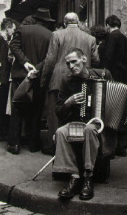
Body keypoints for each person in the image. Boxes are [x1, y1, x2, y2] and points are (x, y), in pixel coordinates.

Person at [54, 47, 127, 200]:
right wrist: (68, 102)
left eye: (74, 62)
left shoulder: (103, 75)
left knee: (89, 129)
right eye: (68, 64)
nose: (71, 66)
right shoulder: (67, 81)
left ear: (84, 60)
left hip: (99, 125)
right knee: (61, 132)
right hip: (76, 122)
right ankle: (74, 177)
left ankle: (88, 177)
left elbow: (121, 100)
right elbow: (59, 112)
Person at [40, 12, 99, 154]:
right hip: (83, 81)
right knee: (82, 115)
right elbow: (96, 60)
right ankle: (80, 151)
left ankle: (56, 150)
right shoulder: (90, 38)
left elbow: (50, 60)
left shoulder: (57, 35)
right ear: (78, 22)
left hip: (58, 80)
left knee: (57, 116)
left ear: (65, 23)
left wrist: (43, 82)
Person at [7, 8, 54, 154]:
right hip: (39, 76)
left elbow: (13, 46)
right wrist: (37, 68)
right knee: (36, 109)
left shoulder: (22, 29)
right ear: (46, 21)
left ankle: (14, 144)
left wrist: (25, 63)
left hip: (20, 74)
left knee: (17, 108)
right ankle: (34, 144)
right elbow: (50, 57)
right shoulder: (50, 35)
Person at [100, 15, 127, 157]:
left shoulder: (111, 38)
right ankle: (122, 146)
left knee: (112, 112)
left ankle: (112, 148)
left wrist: (104, 73)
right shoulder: (126, 40)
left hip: (114, 78)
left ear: (108, 25)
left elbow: (108, 59)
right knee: (124, 112)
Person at [0, 18, 16, 140]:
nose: (13, 31)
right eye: (13, 29)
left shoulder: (4, 40)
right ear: (8, 28)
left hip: (3, 78)